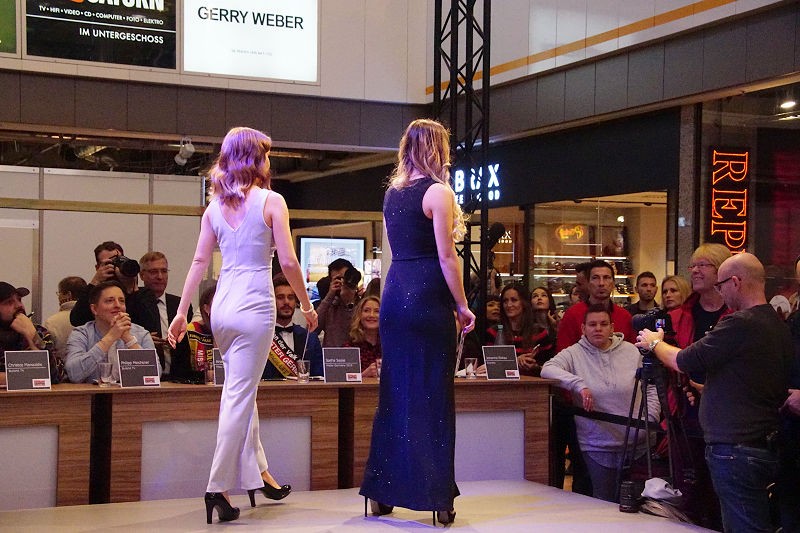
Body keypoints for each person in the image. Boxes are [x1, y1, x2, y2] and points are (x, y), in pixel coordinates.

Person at [167, 127, 318, 525]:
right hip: (254, 306)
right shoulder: (272, 201)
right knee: (238, 396)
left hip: (222, 307)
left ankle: (258, 473)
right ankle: (216, 487)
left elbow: (199, 263)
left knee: (241, 392)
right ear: (255, 159)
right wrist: (306, 304)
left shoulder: (214, 208)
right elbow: (288, 262)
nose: (268, 161)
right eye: (265, 155)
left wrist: (181, 312)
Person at [359, 118, 475, 526]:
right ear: (438, 149)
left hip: (395, 293)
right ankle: (437, 495)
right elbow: (446, 256)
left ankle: (383, 490)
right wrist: (462, 305)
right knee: (433, 396)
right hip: (427, 296)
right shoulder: (438, 192)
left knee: (395, 393)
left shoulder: (392, 192)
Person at [638, 252, 793, 533]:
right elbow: (754, 381)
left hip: (736, 448)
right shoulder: (775, 323)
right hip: (759, 443)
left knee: (744, 526)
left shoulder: (740, 323)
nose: (720, 292)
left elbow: (683, 360)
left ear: (735, 282)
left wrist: (654, 342)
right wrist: (710, 389)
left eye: (721, 285)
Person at [542, 304, 660, 502]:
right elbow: (547, 369)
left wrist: (651, 418)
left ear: (612, 327)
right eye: (592, 324)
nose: (598, 328)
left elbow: (651, 385)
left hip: (639, 445)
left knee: (639, 505)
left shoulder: (633, 351)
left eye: (604, 324)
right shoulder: (574, 353)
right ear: (583, 328)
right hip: (598, 446)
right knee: (604, 504)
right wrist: (578, 384)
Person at [64, 281, 157, 383]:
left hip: (131, 393)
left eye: (122, 301)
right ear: (94, 309)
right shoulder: (81, 334)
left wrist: (129, 340)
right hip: (93, 393)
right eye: (109, 301)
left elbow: (155, 374)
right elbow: (74, 374)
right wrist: (110, 337)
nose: (117, 305)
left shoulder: (141, 334)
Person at [70, 241, 160, 334]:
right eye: (109, 263)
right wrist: (95, 281)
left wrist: (131, 288)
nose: (115, 266)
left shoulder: (143, 294)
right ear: (98, 268)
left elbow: (152, 327)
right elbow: (76, 320)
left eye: (119, 261)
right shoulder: (96, 295)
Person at [139, 251, 193, 380]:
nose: (160, 276)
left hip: (178, 377)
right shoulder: (133, 302)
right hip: (144, 374)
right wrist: (144, 340)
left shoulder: (181, 305)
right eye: (153, 272)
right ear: (142, 275)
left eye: (164, 271)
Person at [262, 273, 323, 380]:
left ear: (295, 302)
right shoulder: (260, 337)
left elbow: (319, 378)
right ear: (271, 300)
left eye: (291, 297)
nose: (286, 302)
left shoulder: (310, 338)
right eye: (280, 297)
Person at [486, 284, 552, 376]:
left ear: (524, 303)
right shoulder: (493, 332)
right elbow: (491, 366)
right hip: (502, 383)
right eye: (505, 301)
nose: (509, 305)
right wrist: (515, 361)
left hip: (533, 383)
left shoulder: (540, 333)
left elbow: (550, 367)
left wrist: (535, 366)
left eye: (514, 300)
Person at [0, 282, 58, 386]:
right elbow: (41, 376)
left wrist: (32, 336)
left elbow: (55, 375)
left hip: (36, 396)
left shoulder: (39, 331)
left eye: (19, 299)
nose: (19, 305)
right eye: (9, 302)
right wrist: (33, 375)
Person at [44, 276, 87, 378]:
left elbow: (48, 356)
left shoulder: (52, 322)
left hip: (64, 378)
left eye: (59, 293)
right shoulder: (96, 317)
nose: (58, 297)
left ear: (68, 294)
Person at [316, 259, 361, 347]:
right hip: (332, 354)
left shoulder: (362, 305)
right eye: (338, 279)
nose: (343, 282)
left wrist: (349, 302)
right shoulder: (328, 305)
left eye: (345, 278)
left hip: (357, 353)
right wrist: (330, 295)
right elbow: (313, 329)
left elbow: (358, 332)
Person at [344, 296, 381, 378]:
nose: (371, 315)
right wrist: (363, 375)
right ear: (359, 316)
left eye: (377, 311)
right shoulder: (349, 348)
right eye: (366, 311)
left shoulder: (390, 347)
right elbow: (344, 380)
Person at [186, 283, 216, 380]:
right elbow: (180, 372)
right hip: (198, 386)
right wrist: (205, 375)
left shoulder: (237, 332)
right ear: (206, 308)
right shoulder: (190, 331)